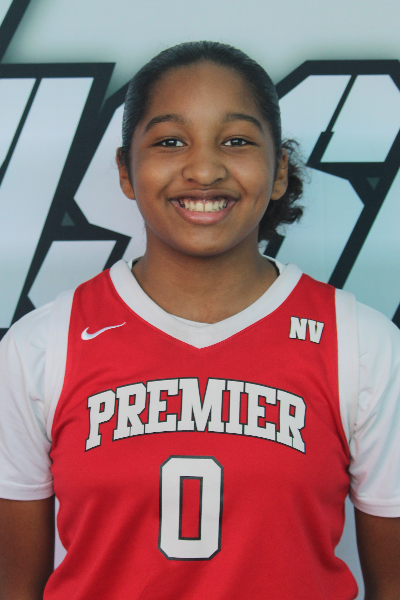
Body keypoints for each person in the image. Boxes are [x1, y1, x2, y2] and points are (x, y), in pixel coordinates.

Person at [0, 41, 400, 600]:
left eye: (236, 141)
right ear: (125, 170)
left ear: (279, 170)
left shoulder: (362, 344)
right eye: (170, 141)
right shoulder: (40, 347)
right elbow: (15, 586)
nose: (205, 170)